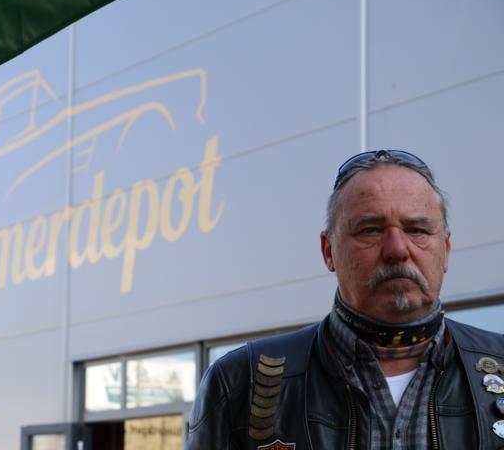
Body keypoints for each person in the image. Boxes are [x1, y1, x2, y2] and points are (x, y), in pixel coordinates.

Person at [185, 150, 504, 449]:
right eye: (370, 230)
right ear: (328, 251)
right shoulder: (241, 382)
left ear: (445, 249)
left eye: (417, 230)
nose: (397, 249)